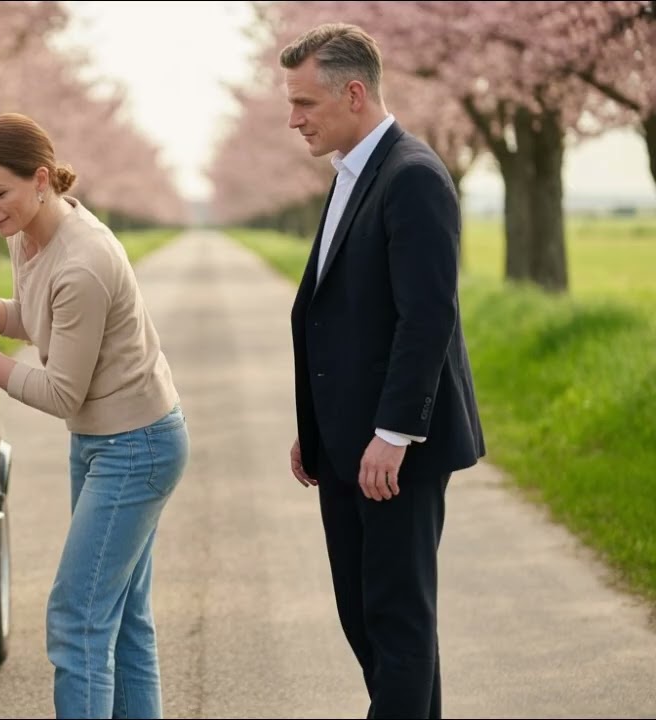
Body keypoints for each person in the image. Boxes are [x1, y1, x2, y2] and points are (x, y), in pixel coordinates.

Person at [0, 112, 188, 719]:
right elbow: (30, 318)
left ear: (42, 179)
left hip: (138, 447)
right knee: (124, 620)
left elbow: (59, 395)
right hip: (109, 442)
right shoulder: (29, 233)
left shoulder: (84, 262)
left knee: (76, 620)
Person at [280, 23, 485, 719]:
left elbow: (427, 318)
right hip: (344, 446)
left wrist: (394, 434)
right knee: (367, 620)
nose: (293, 118)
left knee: (396, 624)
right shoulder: (352, 174)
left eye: (306, 103)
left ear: (355, 93)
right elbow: (334, 311)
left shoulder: (414, 177)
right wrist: (316, 429)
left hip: (393, 450)